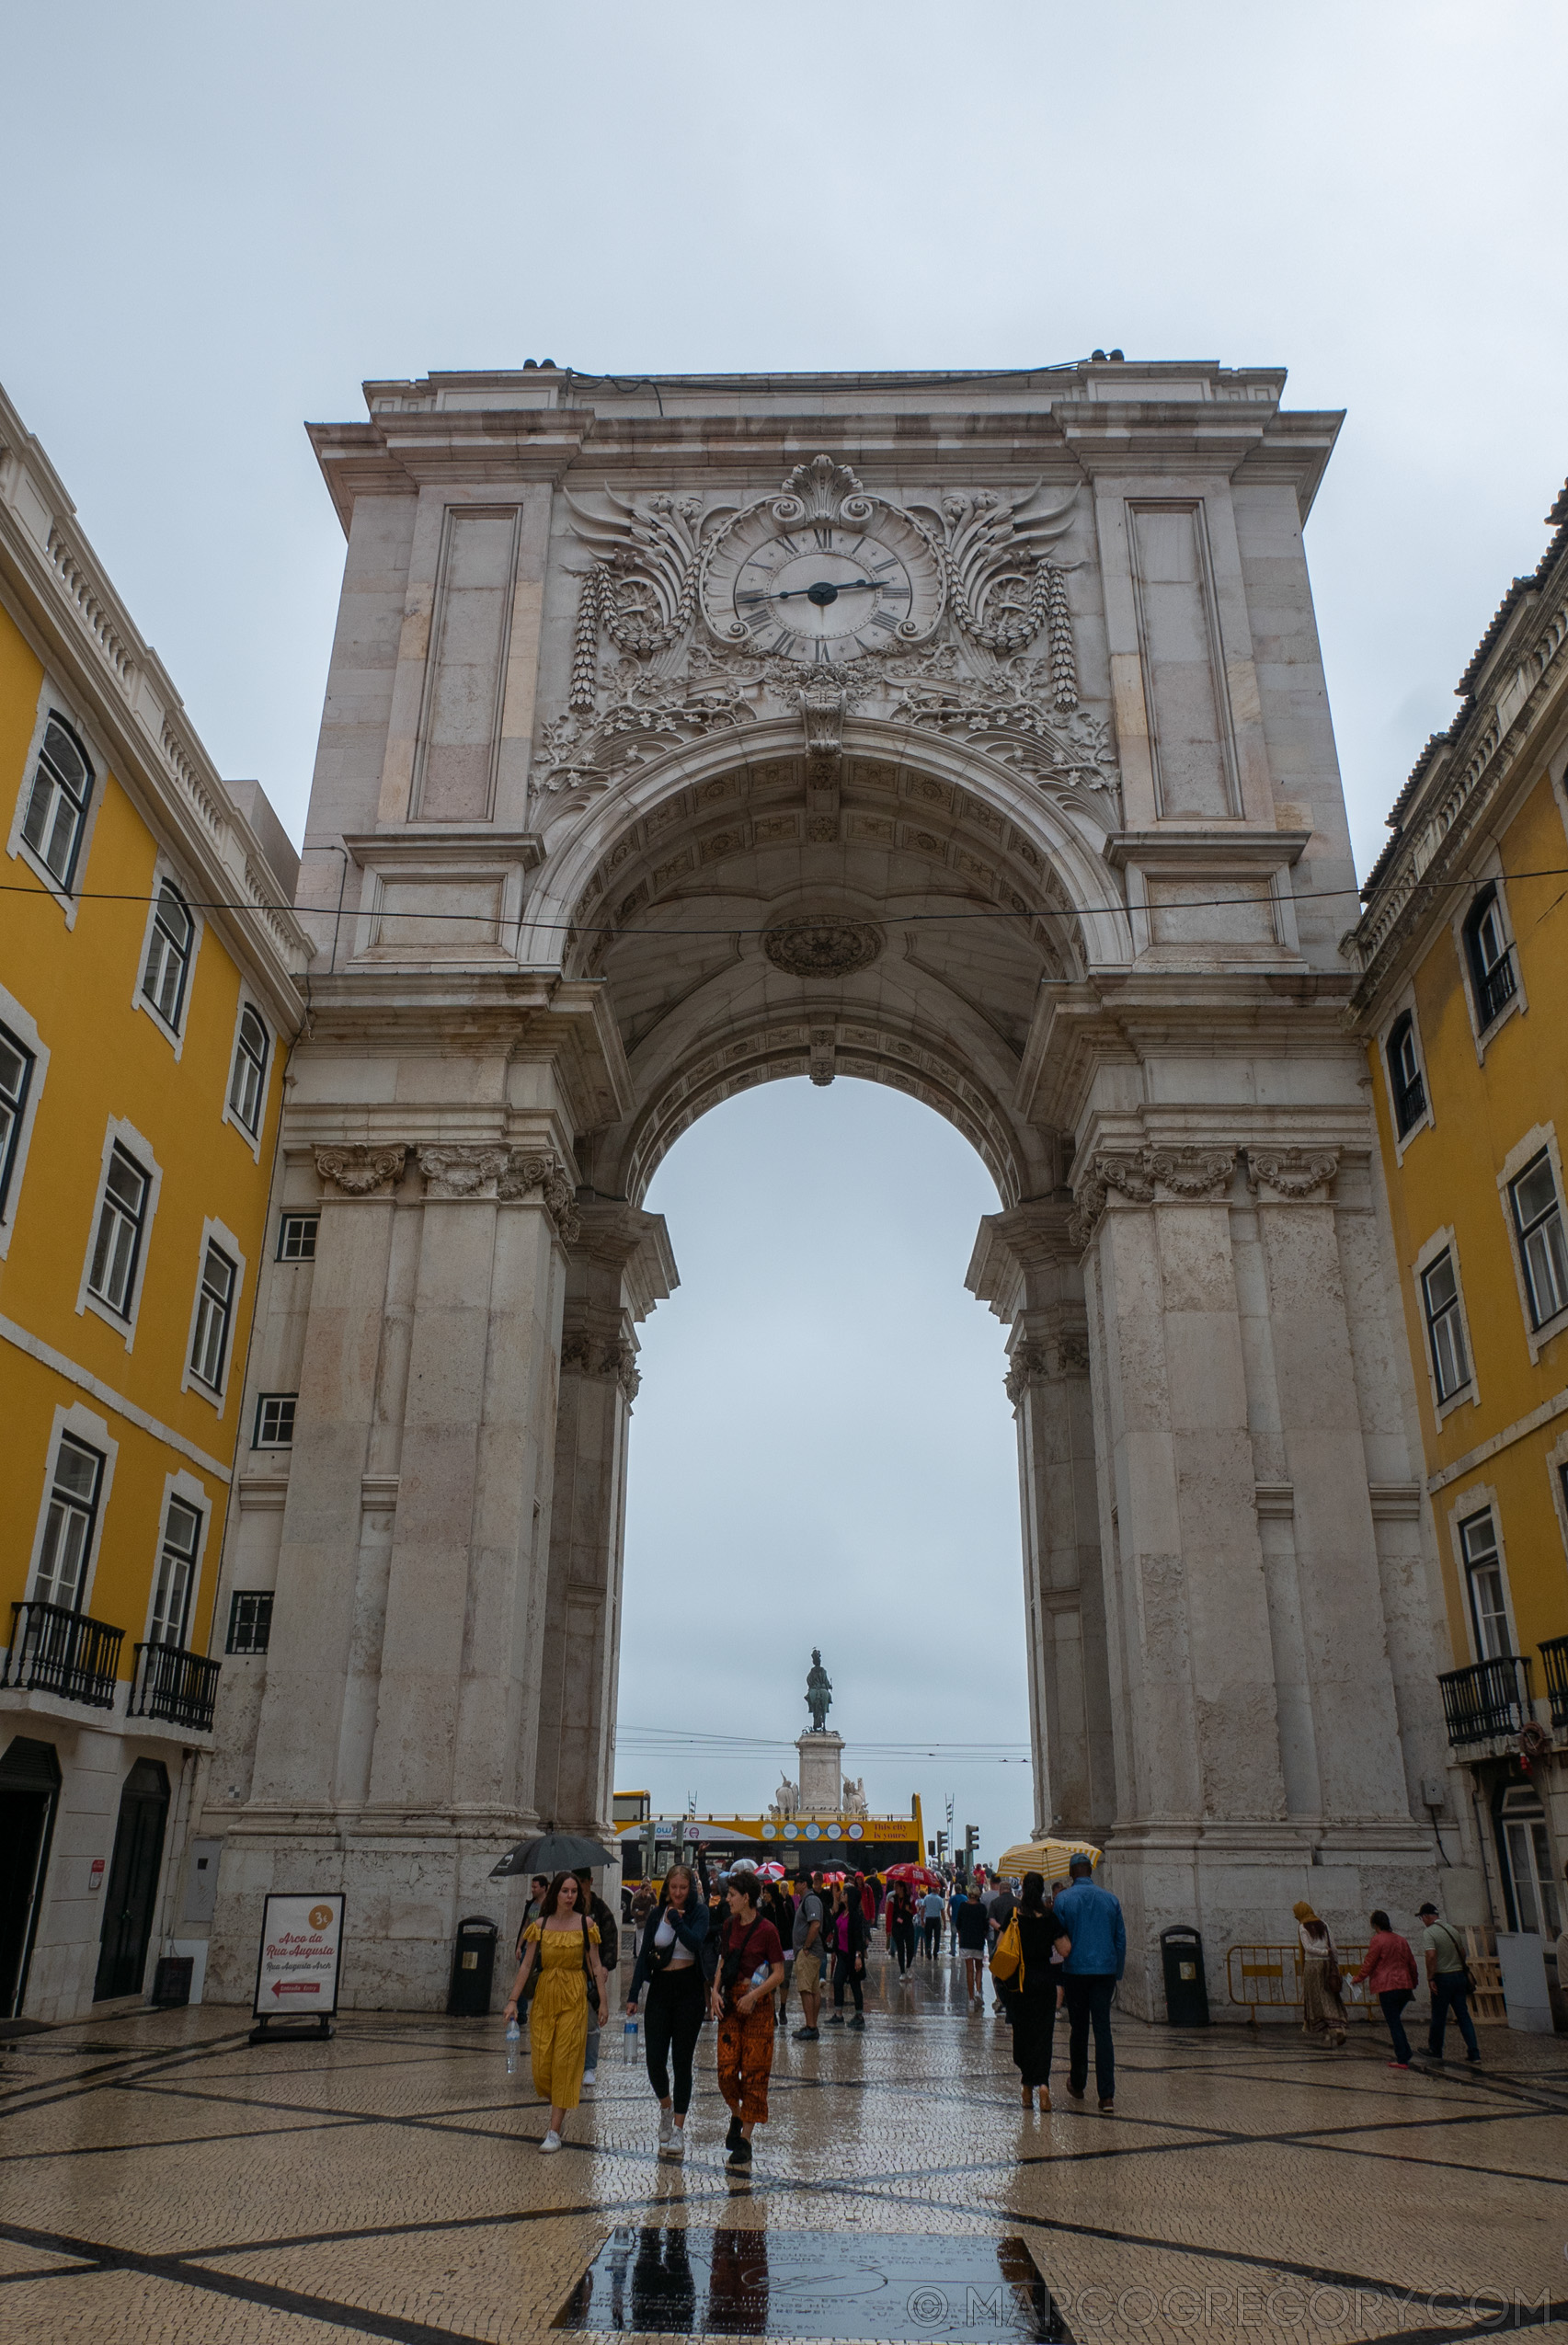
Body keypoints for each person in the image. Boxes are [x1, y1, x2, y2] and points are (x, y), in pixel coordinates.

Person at [503, 1871, 609, 2152]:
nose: (570, 1896)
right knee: (542, 2067)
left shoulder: (587, 1925)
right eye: (565, 1891)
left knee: (564, 2060)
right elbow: (526, 1965)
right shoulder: (541, 1924)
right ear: (556, 1894)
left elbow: (595, 1965)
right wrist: (513, 2000)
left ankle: (554, 2130)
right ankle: (558, 2103)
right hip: (546, 1995)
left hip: (574, 1997)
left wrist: (604, 2002)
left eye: (574, 1891)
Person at [626, 1862, 709, 2159]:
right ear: (666, 1888)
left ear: (690, 1889)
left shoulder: (699, 1913)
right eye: (673, 1888)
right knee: (655, 2059)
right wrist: (634, 1993)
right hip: (660, 1988)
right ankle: (665, 2105)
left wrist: (677, 1920)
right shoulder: (655, 1915)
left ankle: (679, 2128)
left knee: (682, 2060)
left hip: (688, 1991)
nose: (677, 1893)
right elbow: (644, 1953)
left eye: (683, 1888)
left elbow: (695, 1942)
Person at [711, 1869, 785, 2169]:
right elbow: (722, 1962)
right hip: (730, 2003)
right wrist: (714, 1991)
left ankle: (745, 2139)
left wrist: (753, 1996)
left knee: (755, 2072)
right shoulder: (729, 1925)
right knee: (726, 2071)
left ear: (746, 1898)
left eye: (731, 1895)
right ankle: (737, 2114)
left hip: (758, 2006)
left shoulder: (768, 1930)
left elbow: (779, 1973)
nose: (727, 1899)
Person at [1052, 1852, 1126, 2113]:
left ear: (1072, 1874)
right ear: (1090, 1872)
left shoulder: (1063, 1899)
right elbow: (1120, 1939)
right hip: (1104, 1971)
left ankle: (1079, 2083)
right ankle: (1107, 2096)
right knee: (1103, 2031)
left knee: (1079, 2029)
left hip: (1076, 1972)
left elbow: (1059, 1937)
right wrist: (1117, 1972)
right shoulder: (1111, 1899)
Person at [1009, 1873, 1063, 2110]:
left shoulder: (1013, 1917)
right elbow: (1066, 1948)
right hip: (1045, 1982)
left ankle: (1027, 2087)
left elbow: (1002, 1950)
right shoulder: (1050, 1917)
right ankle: (1044, 2086)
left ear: (1022, 1888)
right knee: (1043, 2035)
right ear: (1042, 1890)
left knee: (1023, 2034)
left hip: (1020, 1983)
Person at [1350, 1909, 1419, 2068]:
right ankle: (1405, 2051)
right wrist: (1413, 1982)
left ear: (1375, 1925)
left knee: (1393, 2022)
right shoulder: (1401, 1940)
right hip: (1404, 1985)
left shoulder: (1378, 1940)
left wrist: (1358, 1978)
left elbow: (1370, 1962)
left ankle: (1402, 2057)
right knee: (1395, 2020)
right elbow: (1412, 1963)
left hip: (1387, 1986)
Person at [1418, 1899, 1481, 2065]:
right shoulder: (1451, 1929)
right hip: (1459, 1976)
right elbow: (1462, 1952)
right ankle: (1474, 2052)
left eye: (1422, 1918)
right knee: (1463, 2015)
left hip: (1442, 1977)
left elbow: (1431, 1956)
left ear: (1426, 1917)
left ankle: (1435, 2049)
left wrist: (1431, 1977)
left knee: (1439, 2015)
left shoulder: (1429, 1933)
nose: (1422, 1921)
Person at [574, 1869, 619, 2087]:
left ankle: (589, 2067)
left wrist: (605, 1967)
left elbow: (611, 1937)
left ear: (590, 1882)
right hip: (570, 1973)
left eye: (583, 1882)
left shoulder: (600, 1909)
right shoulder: (567, 1908)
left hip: (592, 1974)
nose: (580, 1887)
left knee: (592, 2023)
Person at [1292, 1901, 1347, 2050]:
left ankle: (1332, 2029)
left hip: (1313, 1965)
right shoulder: (1324, 1924)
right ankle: (1334, 2029)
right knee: (1330, 1996)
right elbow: (1333, 1946)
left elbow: (1308, 1948)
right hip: (1327, 1965)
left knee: (1316, 1998)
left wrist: (1323, 1952)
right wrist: (1334, 1962)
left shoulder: (1303, 1926)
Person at [826, 1879, 867, 2028]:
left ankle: (859, 2015)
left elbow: (857, 1938)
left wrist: (858, 1957)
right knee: (837, 1981)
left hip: (852, 1955)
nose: (842, 1894)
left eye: (845, 1893)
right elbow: (834, 1919)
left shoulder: (855, 1916)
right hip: (842, 1954)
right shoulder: (843, 1913)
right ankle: (838, 2014)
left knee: (855, 1984)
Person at [791, 1871, 825, 2041]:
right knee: (813, 1989)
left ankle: (811, 2026)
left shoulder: (810, 1900)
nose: (793, 1885)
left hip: (809, 1952)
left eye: (796, 1882)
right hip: (811, 1951)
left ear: (804, 1884)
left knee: (805, 1989)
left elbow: (815, 1924)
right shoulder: (807, 1900)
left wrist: (806, 1946)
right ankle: (812, 2025)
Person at [987, 1876, 1019, 2017]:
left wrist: (1002, 1929)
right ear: (1010, 1890)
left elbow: (991, 1921)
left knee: (996, 1968)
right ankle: (1013, 1996)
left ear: (1000, 1890)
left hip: (999, 1941)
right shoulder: (1018, 1903)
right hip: (1016, 1941)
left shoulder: (995, 1902)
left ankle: (999, 1998)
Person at [956, 1880, 990, 2002]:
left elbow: (958, 1924)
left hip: (966, 1941)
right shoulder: (982, 1908)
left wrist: (960, 1937)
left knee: (969, 1970)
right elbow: (986, 1925)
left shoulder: (963, 1906)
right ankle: (978, 1990)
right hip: (978, 1941)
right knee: (979, 1968)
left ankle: (970, 1998)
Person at [887, 1883, 917, 1976]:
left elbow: (915, 1911)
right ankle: (902, 1971)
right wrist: (888, 1929)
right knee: (900, 1949)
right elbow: (889, 1915)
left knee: (910, 1948)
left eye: (897, 1887)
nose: (895, 1889)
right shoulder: (892, 1899)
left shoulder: (910, 1898)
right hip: (897, 1927)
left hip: (908, 1926)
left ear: (902, 1888)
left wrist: (909, 1910)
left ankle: (908, 1966)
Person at [921, 1883, 945, 1960]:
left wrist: (922, 1919)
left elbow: (923, 1909)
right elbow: (942, 1911)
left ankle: (928, 1948)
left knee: (928, 1936)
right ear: (937, 1890)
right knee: (937, 1937)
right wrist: (944, 1922)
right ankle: (935, 1953)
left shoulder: (926, 1898)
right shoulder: (940, 1899)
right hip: (937, 1919)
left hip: (928, 1919)